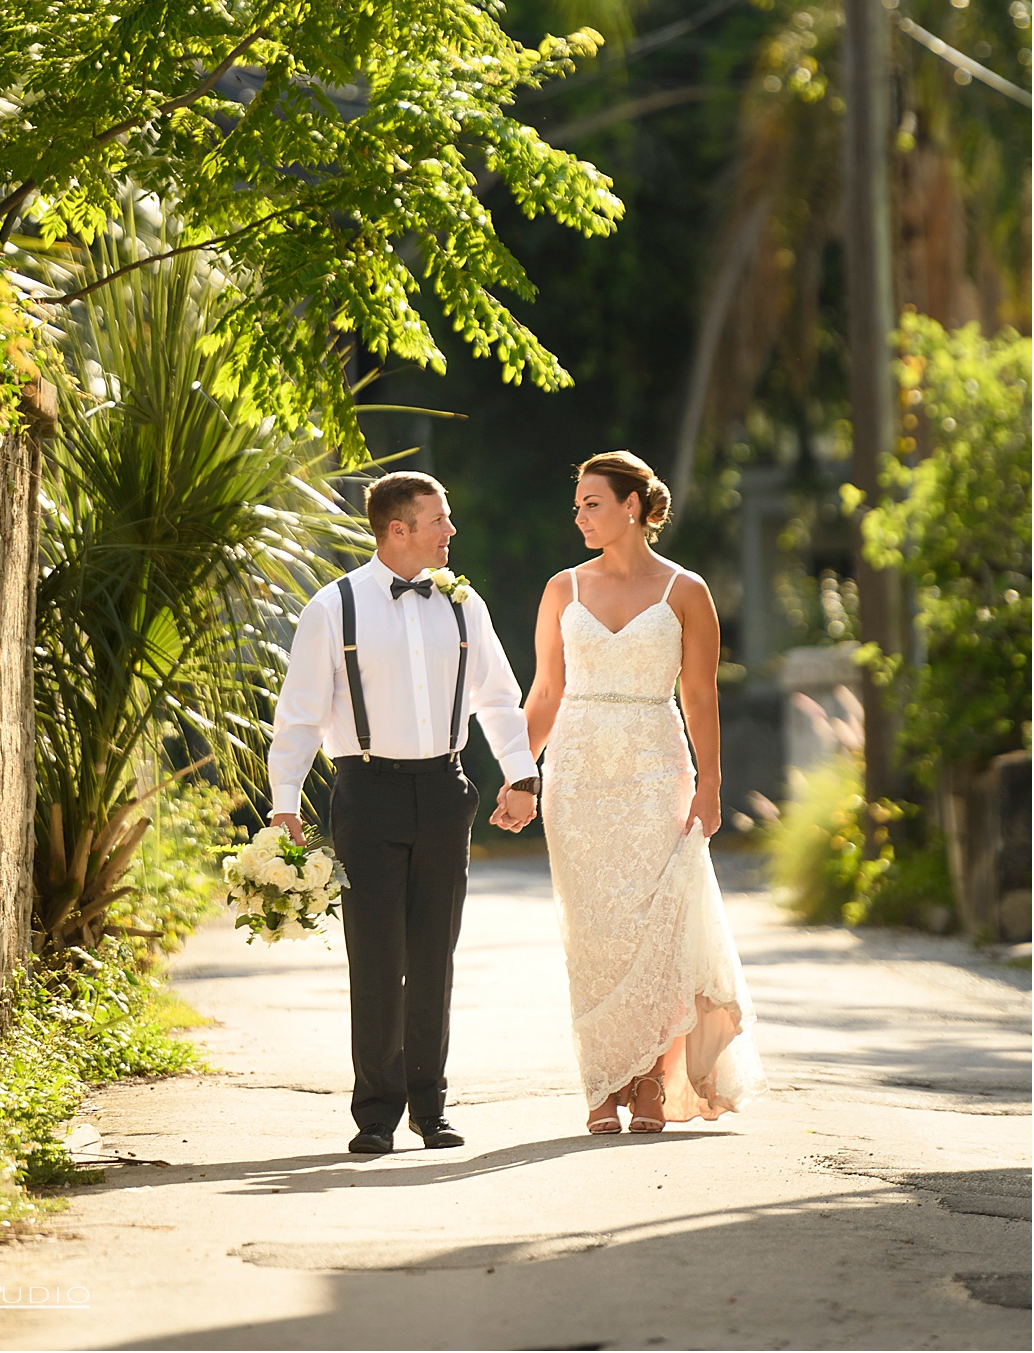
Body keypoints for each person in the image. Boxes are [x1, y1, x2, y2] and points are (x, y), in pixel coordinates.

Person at [269, 471, 539, 1155]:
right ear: (399, 529)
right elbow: (298, 717)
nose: (451, 530)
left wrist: (522, 775)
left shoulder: (463, 603)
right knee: (376, 955)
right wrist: (284, 804)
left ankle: (431, 1108)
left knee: (434, 956)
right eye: (439, 520)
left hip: (446, 793)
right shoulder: (333, 610)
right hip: (365, 794)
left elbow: (498, 699)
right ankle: (377, 1114)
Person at [498, 449, 766, 1133]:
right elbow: (548, 693)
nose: (581, 515)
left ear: (632, 507)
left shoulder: (687, 591)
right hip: (579, 778)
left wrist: (712, 786)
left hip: (656, 771)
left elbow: (699, 695)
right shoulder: (564, 589)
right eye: (578, 505)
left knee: (659, 931)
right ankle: (600, 1083)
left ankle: (650, 1084)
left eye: (593, 503)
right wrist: (516, 775)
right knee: (592, 937)